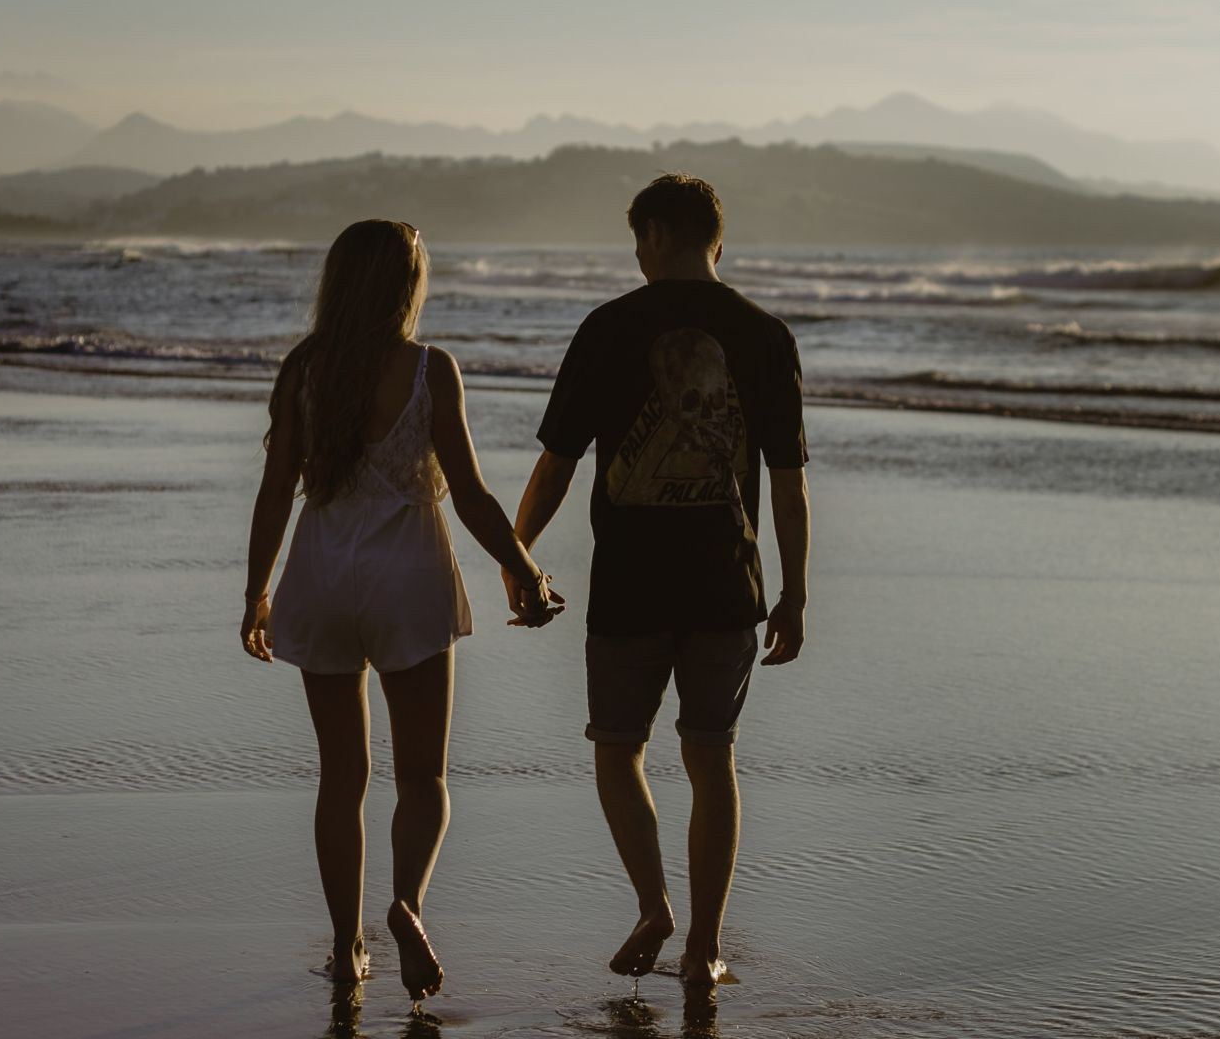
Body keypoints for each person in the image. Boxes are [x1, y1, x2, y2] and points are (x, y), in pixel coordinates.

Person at [240, 218, 564, 1002]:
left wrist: (255, 592)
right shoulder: (429, 370)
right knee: (422, 778)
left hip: (320, 580)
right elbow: (475, 494)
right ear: (405, 286)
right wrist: (524, 569)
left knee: (340, 780)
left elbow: (275, 489)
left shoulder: (303, 371)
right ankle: (405, 905)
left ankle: (348, 948)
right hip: (408, 580)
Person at [513, 173, 812, 992]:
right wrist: (795, 592)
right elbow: (787, 479)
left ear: (651, 237)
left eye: (637, 241)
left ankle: (655, 906)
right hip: (727, 583)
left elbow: (557, 465)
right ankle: (705, 947)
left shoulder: (607, 327)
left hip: (629, 585)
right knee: (711, 758)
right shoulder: (764, 333)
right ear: (718, 240)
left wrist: (514, 554)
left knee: (618, 750)